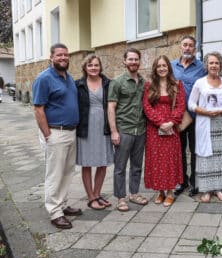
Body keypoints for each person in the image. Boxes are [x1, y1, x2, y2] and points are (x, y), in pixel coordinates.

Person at [32, 43, 82, 229]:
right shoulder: (44, 78)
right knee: (55, 173)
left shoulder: (68, 77)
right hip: (55, 132)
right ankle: (54, 212)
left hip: (71, 131)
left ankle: (62, 204)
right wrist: (47, 134)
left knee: (67, 171)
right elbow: (38, 109)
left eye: (66, 55)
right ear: (51, 57)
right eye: (59, 55)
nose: (63, 58)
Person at [108, 47, 148, 212]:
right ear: (124, 61)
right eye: (130, 59)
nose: (133, 62)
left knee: (137, 165)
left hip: (140, 130)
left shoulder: (144, 82)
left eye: (136, 59)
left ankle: (134, 193)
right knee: (120, 167)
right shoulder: (117, 82)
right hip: (124, 129)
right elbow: (111, 107)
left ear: (139, 62)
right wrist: (114, 131)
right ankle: (121, 198)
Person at [188, 52, 222, 202]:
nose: (214, 65)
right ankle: (206, 190)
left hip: (221, 124)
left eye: (217, 63)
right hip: (206, 123)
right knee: (206, 156)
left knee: (219, 155)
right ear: (206, 65)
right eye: (211, 63)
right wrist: (205, 112)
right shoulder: (200, 83)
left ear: (220, 65)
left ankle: (218, 189)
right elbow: (191, 104)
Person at [143, 55, 185, 207]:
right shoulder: (149, 86)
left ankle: (170, 192)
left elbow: (181, 106)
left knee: (169, 160)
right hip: (154, 129)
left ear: (169, 67)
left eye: (164, 66)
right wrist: (160, 123)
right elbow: (147, 107)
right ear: (155, 68)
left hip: (171, 128)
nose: (161, 68)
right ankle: (160, 191)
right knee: (156, 160)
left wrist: (171, 122)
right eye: (159, 66)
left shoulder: (176, 84)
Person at [76, 54, 114, 210]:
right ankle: (90, 197)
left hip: (103, 125)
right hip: (85, 126)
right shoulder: (78, 84)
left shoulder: (108, 83)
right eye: (90, 65)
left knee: (102, 162)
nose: (93, 68)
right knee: (87, 163)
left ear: (100, 67)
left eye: (96, 65)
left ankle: (97, 194)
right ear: (85, 67)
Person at [171, 36, 206, 196]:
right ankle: (182, 181)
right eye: (185, 45)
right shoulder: (172, 66)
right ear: (180, 47)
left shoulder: (202, 67)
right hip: (177, 117)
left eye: (191, 45)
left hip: (195, 116)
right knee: (179, 151)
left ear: (195, 49)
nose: (187, 48)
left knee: (194, 150)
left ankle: (194, 182)